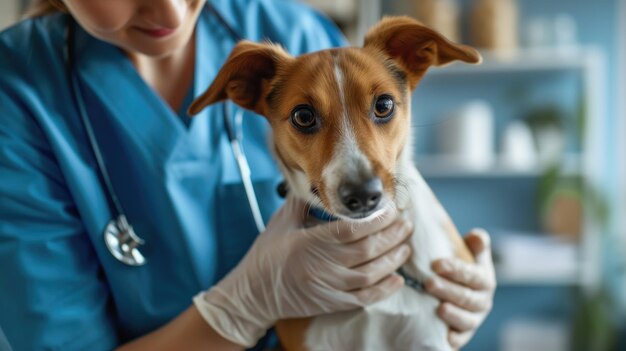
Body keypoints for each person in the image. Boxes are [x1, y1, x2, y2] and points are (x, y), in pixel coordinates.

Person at [0, 0, 496, 350]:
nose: (172, 11)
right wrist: (243, 304)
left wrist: (448, 295)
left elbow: (377, 161)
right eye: (305, 119)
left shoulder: (298, 32)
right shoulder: (18, 92)